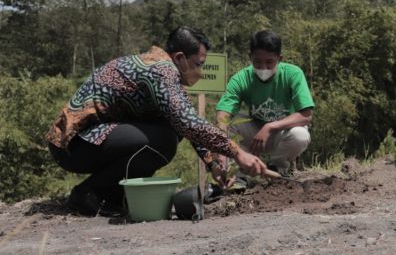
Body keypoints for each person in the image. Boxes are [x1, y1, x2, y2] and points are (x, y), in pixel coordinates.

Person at [47, 26, 267, 216]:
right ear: (180, 58)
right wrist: (237, 152)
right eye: (198, 64)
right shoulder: (161, 71)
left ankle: (110, 194)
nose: (200, 73)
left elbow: (185, 122)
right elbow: (188, 122)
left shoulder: (162, 71)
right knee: (163, 141)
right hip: (75, 144)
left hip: (95, 140)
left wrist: (214, 164)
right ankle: (90, 194)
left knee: (171, 131)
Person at [214, 30, 314, 179]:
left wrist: (270, 126)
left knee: (300, 135)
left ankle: (276, 167)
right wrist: (221, 150)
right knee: (227, 126)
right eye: (257, 62)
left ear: (279, 58)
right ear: (250, 58)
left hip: (282, 133)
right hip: (254, 133)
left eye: (269, 62)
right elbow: (222, 115)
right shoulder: (241, 78)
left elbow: (306, 116)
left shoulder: (293, 74)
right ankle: (240, 172)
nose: (263, 67)